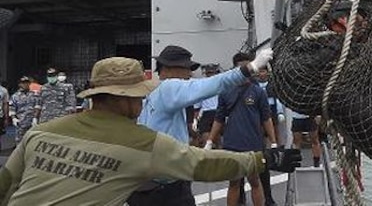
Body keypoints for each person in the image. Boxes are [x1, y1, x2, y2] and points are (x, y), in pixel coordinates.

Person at [0, 57, 301, 206]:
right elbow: (201, 164)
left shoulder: (40, 133)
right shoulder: (140, 144)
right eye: (138, 96)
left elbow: (7, 182)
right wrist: (264, 160)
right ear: (127, 99)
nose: (143, 101)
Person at [127, 45, 274, 206]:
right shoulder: (170, 87)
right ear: (169, 68)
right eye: (187, 68)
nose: (189, 74)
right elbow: (212, 85)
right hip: (167, 188)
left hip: (145, 184)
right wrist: (250, 67)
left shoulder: (151, 93)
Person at [206, 53, 279, 206]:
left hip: (253, 144)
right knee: (234, 183)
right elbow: (219, 119)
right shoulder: (225, 92)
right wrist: (210, 141)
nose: (246, 70)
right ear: (235, 69)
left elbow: (266, 119)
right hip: (232, 144)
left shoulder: (258, 92)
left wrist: (273, 142)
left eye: (248, 66)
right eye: (242, 67)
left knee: (255, 182)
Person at [192, 63, 220, 147]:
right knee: (207, 138)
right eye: (209, 73)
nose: (210, 74)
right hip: (207, 113)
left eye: (212, 72)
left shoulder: (219, 84)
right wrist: (195, 119)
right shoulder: (202, 85)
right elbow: (197, 106)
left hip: (217, 112)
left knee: (218, 138)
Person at [8, 77, 38, 145]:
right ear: (19, 84)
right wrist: (14, 118)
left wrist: (35, 118)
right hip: (21, 123)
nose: (25, 84)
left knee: (32, 143)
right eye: (23, 83)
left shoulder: (34, 95)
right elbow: (12, 108)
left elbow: (37, 107)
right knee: (20, 144)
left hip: (32, 123)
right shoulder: (15, 96)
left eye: (27, 83)